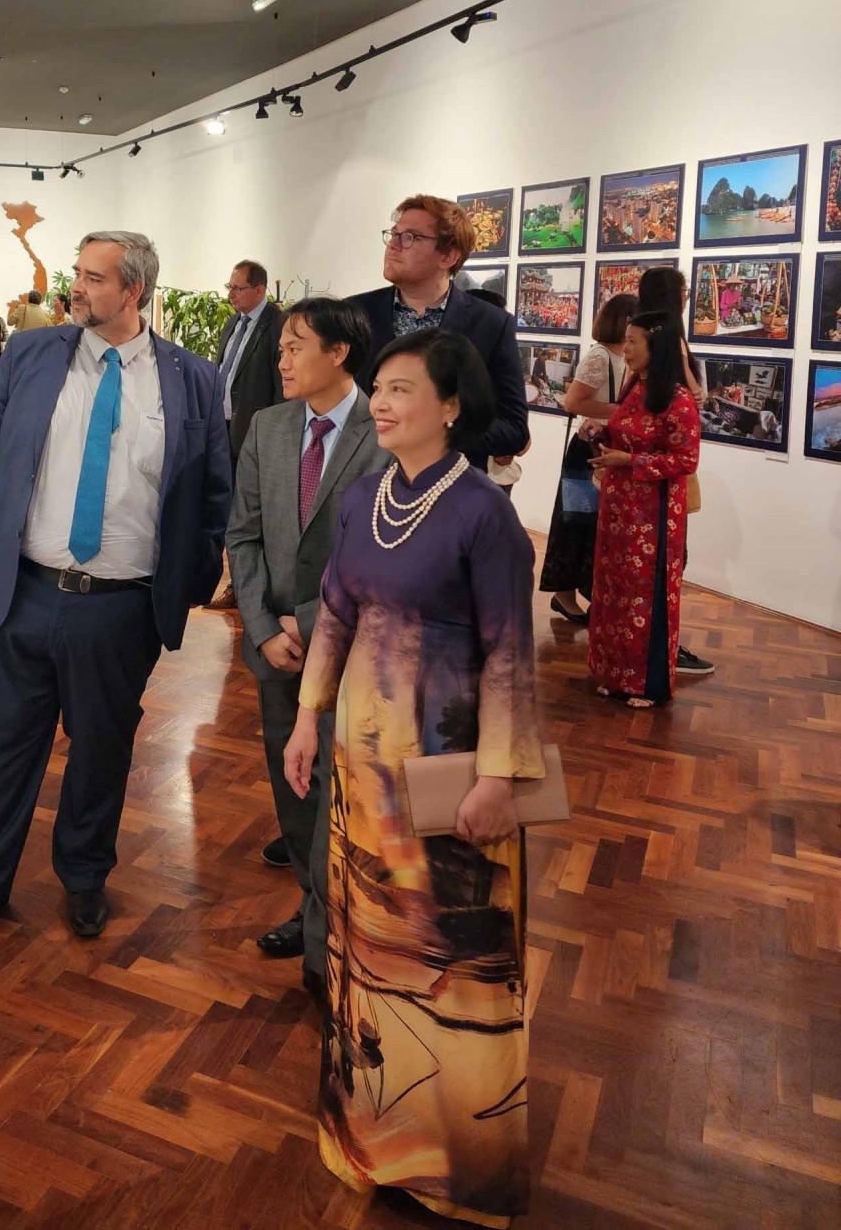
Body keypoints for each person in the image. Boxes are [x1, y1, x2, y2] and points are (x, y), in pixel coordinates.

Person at [283, 327, 542, 1226]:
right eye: (380, 388)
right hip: (362, 775)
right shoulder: (363, 498)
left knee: (451, 963)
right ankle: (373, 1137)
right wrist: (308, 717)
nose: (383, 402)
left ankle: (459, 1168)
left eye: (402, 389)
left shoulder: (483, 514)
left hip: (449, 774)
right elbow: (335, 617)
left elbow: (514, 654)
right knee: (370, 958)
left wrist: (501, 778)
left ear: (453, 406)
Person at [0, 231, 232, 963]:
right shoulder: (32, 355)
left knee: (102, 750)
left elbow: (212, 494)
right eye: (78, 274)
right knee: (3, 748)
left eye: (94, 278)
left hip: (120, 608)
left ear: (133, 292)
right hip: (22, 595)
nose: (78, 288)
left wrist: (185, 589)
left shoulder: (192, 380)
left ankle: (83, 878)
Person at [226, 297, 386, 990]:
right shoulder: (268, 425)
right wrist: (264, 628)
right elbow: (244, 535)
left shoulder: (383, 431)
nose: (281, 359)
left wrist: (309, 621)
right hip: (278, 652)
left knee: (341, 788)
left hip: (351, 650)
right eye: (281, 347)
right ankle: (312, 903)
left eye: (296, 346)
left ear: (339, 352)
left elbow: (385, 549)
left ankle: (339, 926)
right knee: (292, 789)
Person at [349, 194, 529, 471]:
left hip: (449, 490)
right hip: (361, 483)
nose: (394, 245)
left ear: (448, 255)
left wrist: (437, 432)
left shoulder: (491, 324)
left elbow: (514, 428)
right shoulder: (355, 313)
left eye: (410, 237)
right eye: (393, 234)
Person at [586, 312, 701, 708]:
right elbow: (625, 431)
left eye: (634, 341)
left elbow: (686, 460)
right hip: (619, 511)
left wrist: (630, 462)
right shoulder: (637, 387)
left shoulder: (678, 398)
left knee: (644, 598)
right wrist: (600, 434)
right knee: (614, 591)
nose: (627, 348)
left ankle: (645, 683)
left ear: (657, 348)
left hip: (652, 518)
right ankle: (613, 674)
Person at [637, 266, 714, 678]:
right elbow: (686, 394)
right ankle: (658, 647)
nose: (687, 296)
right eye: (683, 289)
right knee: (667, 559)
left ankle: (649, 643)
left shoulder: (654, 334)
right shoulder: (666, 338)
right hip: (658, 469)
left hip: (650, 465)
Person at [540, 293, 636, 623]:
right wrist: (623, 412)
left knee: (592, 527)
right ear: (626, 322)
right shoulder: (600, 357)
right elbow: (572, 402)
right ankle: (564, 595)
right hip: (588, 452)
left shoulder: (621, 357)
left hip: (605, 448)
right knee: (576, 523)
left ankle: (578, 593)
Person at [207, 260, 286, 616]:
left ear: (259, 289)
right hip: (224, 430)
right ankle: (237, 581)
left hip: (257, 435)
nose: (231, 294)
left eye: (238, 288)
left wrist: (274, 436)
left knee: (254, 514)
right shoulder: (232, 323)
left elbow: (282, 388)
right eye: (230, 287)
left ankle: (252, 587)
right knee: (230, 510)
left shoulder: (278, 326)